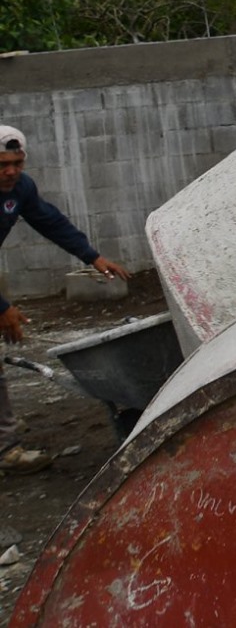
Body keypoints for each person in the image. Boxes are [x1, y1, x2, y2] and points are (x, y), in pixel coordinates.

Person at [0, 123, 131, 474]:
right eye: (1, 164)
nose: (10, 171)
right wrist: (3, 308)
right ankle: (6, 450)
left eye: (17, 162)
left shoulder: (20, 188)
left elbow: (49, 221)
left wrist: (91, 256)